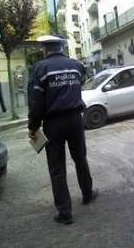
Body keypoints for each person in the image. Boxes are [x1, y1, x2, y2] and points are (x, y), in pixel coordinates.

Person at [28, 35, 98, 225]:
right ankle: (87, 194)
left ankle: (65, 212)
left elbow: (35, 102)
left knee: (57, 168)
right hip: (75, 120)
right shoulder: (76, 65)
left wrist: (33, 127)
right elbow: (79, 84)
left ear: (45, 49)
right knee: (80, 158)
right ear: (60, 47)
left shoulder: (40, 69)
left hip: (53, 124)